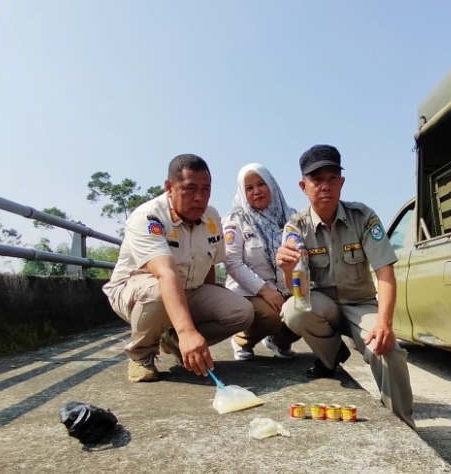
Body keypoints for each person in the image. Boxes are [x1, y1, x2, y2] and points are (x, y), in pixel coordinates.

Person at [275, 144, 415, 428]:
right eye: (317, 179)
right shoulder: (295, 227)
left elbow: (385, 272)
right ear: (304, 186)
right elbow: (296, 290)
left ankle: (402, 424)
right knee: (293, 310)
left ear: (341, 181)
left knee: (387, 349)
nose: (325, 185)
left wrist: (385, 323)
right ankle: (332, 355)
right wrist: (289, 269)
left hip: (360, 305)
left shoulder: (362, 217)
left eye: (332, 178)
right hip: (323, 305)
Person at [103, 153, 254, 382]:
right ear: (169, 187)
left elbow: (210, 266)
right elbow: (166, 273)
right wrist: (188, 331)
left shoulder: (212, 218)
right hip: (137, 292)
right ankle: (141, 355)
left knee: (242, 312)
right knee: (158, 293)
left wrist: (198, 319)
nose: (199, 197)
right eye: (190, 188)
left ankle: (172, 340)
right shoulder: (148, 218)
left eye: (206, 189)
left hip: (188, 289)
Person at [223, 162, 300, 361]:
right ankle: (242, 341)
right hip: (249, 292)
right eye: (249, 188)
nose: (256, 191)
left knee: (308, 310)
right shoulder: (235, 219)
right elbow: (232, 262)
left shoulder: (292, 217)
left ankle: (279, 341)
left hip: (286, 287)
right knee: (271, 316)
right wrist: (265, 290)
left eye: (261, 184)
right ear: (242, 191)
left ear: (271, 185)